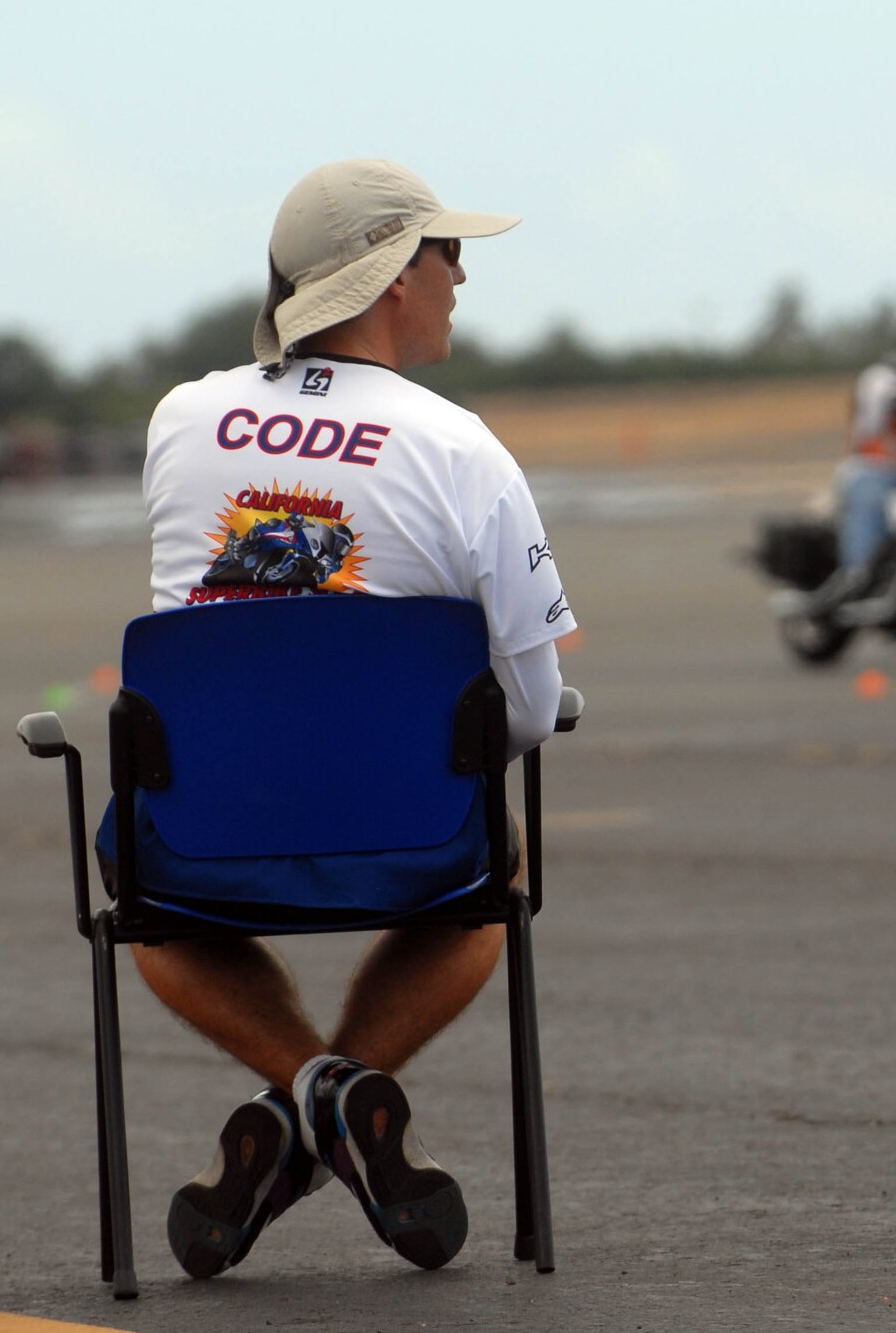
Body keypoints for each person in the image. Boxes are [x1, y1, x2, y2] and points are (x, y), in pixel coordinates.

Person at [130, 158, 577, 1278]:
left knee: (148, 905)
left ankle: (307, 1100)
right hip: (410, 835)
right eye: (444, 251)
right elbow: (524, 708)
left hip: (208, 839)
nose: (461, 273)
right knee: (495, 874)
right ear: (388, 276)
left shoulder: (181, 420)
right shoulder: (462, 447)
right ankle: (334, 1100)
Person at [803, 313, 896, 612]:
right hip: (875, 467)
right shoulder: (885, 377)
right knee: (870, 494)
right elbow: (874, 406)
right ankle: (856, 575)